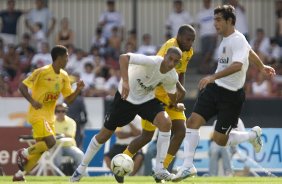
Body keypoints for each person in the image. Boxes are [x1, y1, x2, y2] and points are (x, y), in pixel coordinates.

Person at [172, 5, 276, 182]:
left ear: (230, 21)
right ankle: (187, 166)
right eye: (214, 20)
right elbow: (250, 52)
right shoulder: (227, 39)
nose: (214, 24)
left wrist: (212, 76)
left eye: (218, 20)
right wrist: (261, 66)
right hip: (215, 90)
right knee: (192, 121)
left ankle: (252, 136)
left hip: (231, 96)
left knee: (220, 141)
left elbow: (237, 66)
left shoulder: (237, 39)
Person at [70, 47, 184, 183]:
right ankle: (80, 170)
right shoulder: (152, 61)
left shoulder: (172, 76)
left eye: (175, 62)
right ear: (165, 55)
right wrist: (125, 81)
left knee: (165, 123)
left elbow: (172, 95)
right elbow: (124, 57)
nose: (171, 63)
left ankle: (160, 169)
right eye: (170, 59)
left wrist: (176, 105)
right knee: (103, 135)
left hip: (146, 100)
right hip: (125, 98)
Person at [122, 24, 195, 183]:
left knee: (181, 130)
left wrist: (178, 97)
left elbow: (180, 73)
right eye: (188, 40)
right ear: (179, 37)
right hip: (155, 95)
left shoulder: (189, 52)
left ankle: (161, 169)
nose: (190, 43)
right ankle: (123, 159)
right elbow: (163, 69)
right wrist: (177, 92)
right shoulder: (170, 46)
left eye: (192, 40)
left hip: (171, 95)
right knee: (147, 136)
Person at [12, 45, 85, 182]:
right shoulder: (42, 72)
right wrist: (32, 101)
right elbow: (22, 86)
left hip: (49, 116)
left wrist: (78, 90)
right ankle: (24, 152)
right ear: (59, 57)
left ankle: (19, 175)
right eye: (66, 56)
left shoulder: (64, 76)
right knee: (51, 142)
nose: (68, 59)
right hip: (37, 114)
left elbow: (68, 99)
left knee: (40, 150)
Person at [54, 103, 84, 175]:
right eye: (58, 111)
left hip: (69, 146)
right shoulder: (51, 122)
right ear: (55, 112)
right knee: (56, 158)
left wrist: (56, 134)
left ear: (66, 112)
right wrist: (63, 134)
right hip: (55, 146)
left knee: (80, 155)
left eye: (63, 111)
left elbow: (70, 135)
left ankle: (83, 176)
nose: (61, 113)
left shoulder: (71, 122)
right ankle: (59, 177)